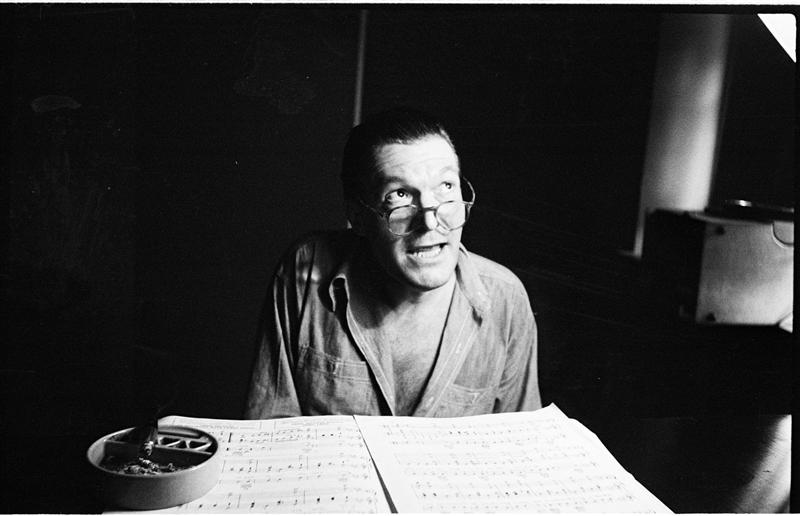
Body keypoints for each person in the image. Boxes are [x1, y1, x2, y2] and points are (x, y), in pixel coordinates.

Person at [245, 107, 541, 419]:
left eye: (446, 186)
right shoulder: (306, 270)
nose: (430, 221)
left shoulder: (506, 298)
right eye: (399, 194)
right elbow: (269, 427)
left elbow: (522, 439)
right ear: (358, 216)